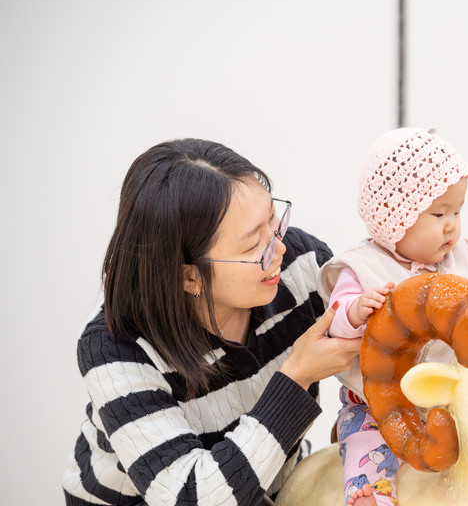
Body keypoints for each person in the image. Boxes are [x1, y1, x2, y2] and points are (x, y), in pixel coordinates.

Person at [61, 138, 362, 506]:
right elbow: (189, 496)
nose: (279, 248)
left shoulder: (299, 264)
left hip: (266, 487)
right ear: (188, 276)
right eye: (252, 246)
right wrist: (296, 378)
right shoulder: (117, 346)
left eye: (273, 220)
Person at [316, 127, 468, 506]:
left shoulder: (463, 257)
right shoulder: (362, 268)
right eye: (438, 213)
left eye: (457, 211)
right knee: (368, 454)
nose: (452, 225)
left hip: (448, 401)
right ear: (393, 217)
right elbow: (335, 319)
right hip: (377, 405)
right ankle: (369, 497)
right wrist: (356, 311)